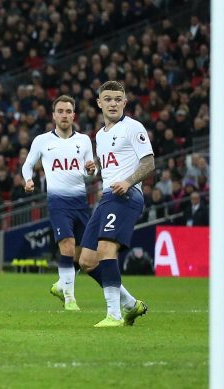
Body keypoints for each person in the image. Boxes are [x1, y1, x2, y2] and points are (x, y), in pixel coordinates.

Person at [79, 81, 151, 327]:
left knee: (107, 251)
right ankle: (131, 305)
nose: (112, 103)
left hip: (126, 195)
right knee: (87, 261)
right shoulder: (100, 135)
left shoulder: (133, 127)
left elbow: (149, 163)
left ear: (124, 103)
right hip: (107, 197)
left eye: (117, 99)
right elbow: (110, 167)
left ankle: (114, 315)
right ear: (99, 103)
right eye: (107, 99)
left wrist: (129, 182)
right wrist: (94, 169)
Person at [21, 95, 95, 311]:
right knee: (68, 247)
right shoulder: (42, 141)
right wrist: (28, 179)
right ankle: (70, 299)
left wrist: (92, 171)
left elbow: (89, 175)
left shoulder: (83, 141)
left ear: (74, 115)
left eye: (68, 111)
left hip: (81, 201)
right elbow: (27, 165)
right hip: (58, 202)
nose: (64, 115)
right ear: (54, 115)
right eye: (60, 111)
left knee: (83, 255)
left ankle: (61, 285)